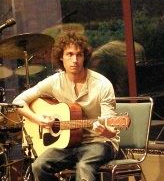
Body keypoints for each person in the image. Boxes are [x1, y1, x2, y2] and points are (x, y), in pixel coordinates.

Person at [13, 31, 119, 181]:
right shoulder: (55, 81)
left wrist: (105, 131)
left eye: (79, 54)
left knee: (84, 166)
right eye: (69, 54)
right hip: (69, 143)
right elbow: (18, 102)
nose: (74, 60)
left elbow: (112, 132)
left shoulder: (102, 85)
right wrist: (38, 119)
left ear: (85, 57)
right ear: (61, 57)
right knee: (38, 166)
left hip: (100, 143)